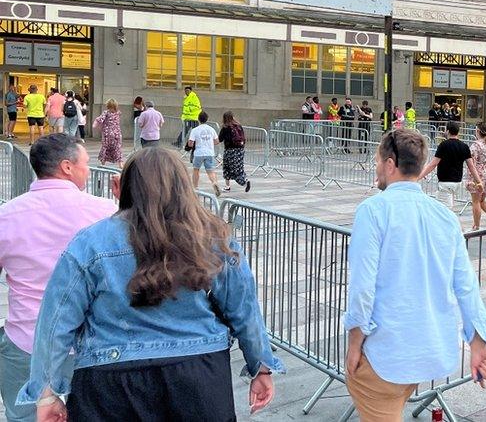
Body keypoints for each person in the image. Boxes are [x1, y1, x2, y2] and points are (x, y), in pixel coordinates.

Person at [18, 148, 282, 421]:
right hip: (198, 372)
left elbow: (56, 321)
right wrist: (260, 366)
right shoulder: (213, 240)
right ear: (183, 187)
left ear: (128, 186)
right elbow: (245, 311)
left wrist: (46, 390)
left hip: (110, 376)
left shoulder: (90, 243)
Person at [344, 129, 486, 420]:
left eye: (377, 161)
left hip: (384, 353)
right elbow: (466, 286)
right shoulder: (445, 217)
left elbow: (363, 288)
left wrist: (354, 344)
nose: (376, 168)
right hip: (427, 350)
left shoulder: (373, 211)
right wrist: (478, 341)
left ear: (390, 164)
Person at [0, 134, 117, 422]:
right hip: (93, 340)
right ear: (67, 167)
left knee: (26, 416)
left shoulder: (7, 215)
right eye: (85, 163)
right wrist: (127, 203)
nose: (88, 171)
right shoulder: (105, 211)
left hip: (27, 338)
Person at [419, 121, 480, 210]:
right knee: (448, 206)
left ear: (447, 131)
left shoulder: (443, 145)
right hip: (457, 181)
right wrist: (479, 181)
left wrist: (419, 176)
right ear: (458, 132)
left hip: (445, 181)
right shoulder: (464, 146)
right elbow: (471, 166)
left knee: (444, 210)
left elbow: (433, 164)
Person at [466, 122, 486, 231]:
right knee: (482, 200)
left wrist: (474, 179)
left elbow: (471, 163)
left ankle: (476, 224)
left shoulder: (475, 145)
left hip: (478, 175)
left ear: (478, 131)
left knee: (475, 201)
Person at [187, 111, 221, 196]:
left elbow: (190, 143)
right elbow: (217, 141)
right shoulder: (211, 129)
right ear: (207, 119)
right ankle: (214, 183)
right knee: (210, 171)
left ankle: (195, 187)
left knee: (196, 170)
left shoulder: (195, 130)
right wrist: (209, 143)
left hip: (198, 153)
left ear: (198, 119)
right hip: (209, 152)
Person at [218, 111, 251, 193]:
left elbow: (220, 139)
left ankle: (241, 182)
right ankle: (244, 179)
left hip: (230, 151)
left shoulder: (225, 127)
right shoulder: (239, 126)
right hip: (240, 150)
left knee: (227, 168)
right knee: (239, 167)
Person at [94, 99, 124, 167]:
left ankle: (103, 163)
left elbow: (100, 119)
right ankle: (120, 163)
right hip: (117, 133)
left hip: (107, 133)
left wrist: (95, 124)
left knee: (105, 147)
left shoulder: (106, 112)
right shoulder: (118, 113)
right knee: (118, 148)